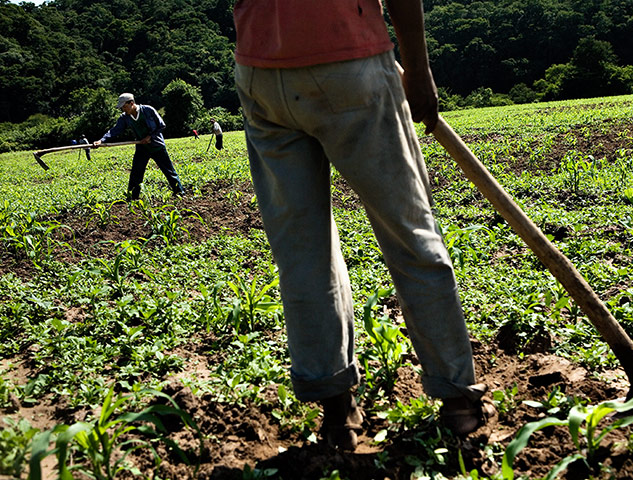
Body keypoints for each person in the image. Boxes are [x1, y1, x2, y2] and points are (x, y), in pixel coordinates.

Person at [233, 0, 493, 451]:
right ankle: (458, 400)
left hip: (260, 71)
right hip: (348, 59)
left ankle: (336, 412)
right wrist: (417, 69)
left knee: (302, 251)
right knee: (409, 232)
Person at [94, 93, 185, 200]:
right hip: (142, 148)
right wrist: (101, 140)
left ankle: (180, 192)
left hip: (157, 146)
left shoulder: (148, 110)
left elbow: (161, 125)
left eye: (124, 106)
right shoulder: (125, 118)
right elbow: (115, 130)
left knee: (169, 171)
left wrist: (149, 137)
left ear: (131, 103)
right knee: (136, 173)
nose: (123, 109)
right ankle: (133, 197)